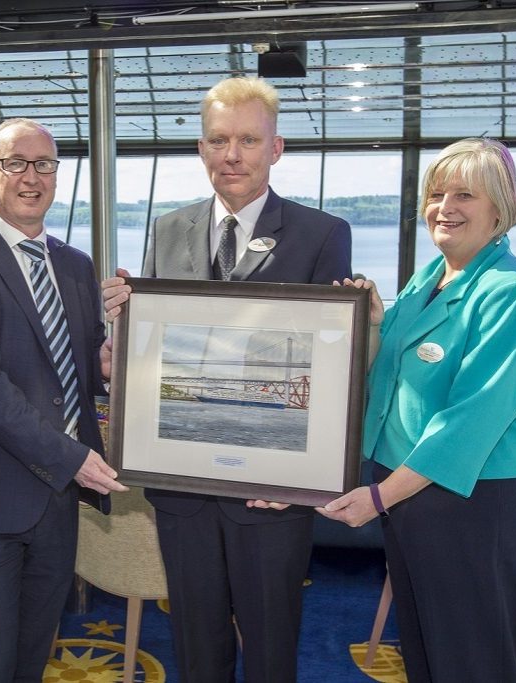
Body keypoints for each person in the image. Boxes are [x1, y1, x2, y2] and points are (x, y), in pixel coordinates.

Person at [103, 77, 352, 682]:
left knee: (271, 646)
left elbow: (332, 367)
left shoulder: (323, 234)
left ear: (277, 148)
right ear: (201, 148)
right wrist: (124, 338)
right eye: (218, 140)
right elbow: (161, 354)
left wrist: (301, 477)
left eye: (247, 139)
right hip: (182, 483)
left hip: (272, 488)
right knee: (194, 644)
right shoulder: (168, 229)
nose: (232, 154)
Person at [318, 138, 516, 683]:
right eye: (436, 193)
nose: (444, 207)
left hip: (477, 504)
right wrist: (376, 326)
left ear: (501, 207)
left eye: (464, 194)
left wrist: (378, 497)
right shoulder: (429, 278)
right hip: (413, 495)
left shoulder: (510, 293)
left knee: (475, 661)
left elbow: (467, 425)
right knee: (426, 651)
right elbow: (388, 382)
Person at [0, 118, 126, 681]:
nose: (30, 177)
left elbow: (80, 371)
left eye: (44, 165)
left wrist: (108, 369)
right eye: (15, 163)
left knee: (34, 658)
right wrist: (75, 459)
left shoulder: (76, 267)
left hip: (55, 503)